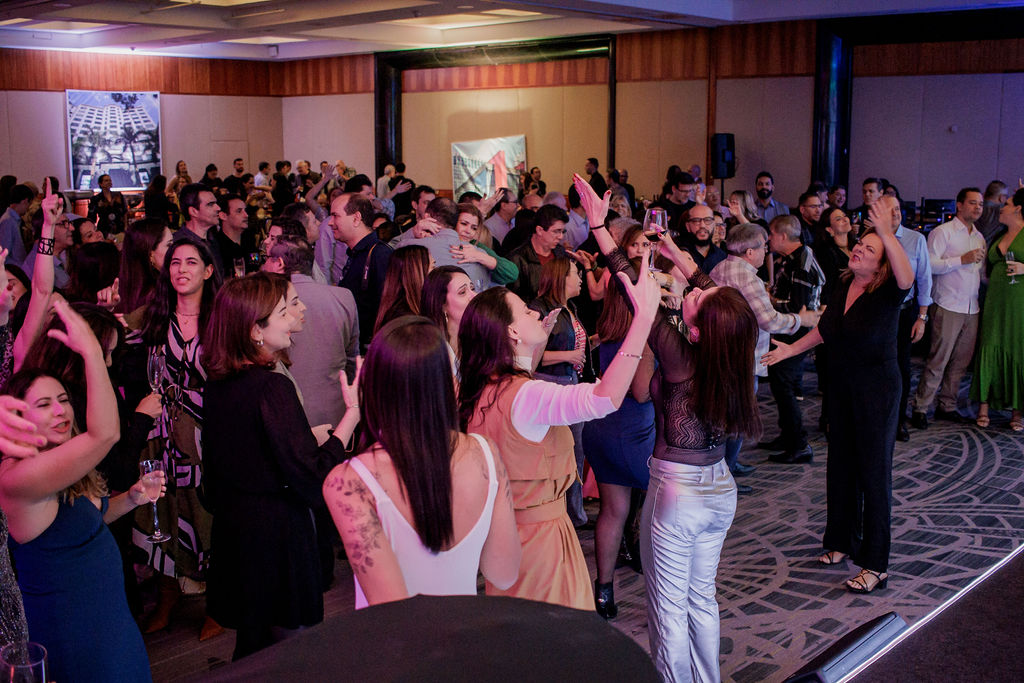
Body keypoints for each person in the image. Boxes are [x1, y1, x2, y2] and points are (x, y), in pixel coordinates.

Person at [575, 173, 761, 682]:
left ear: (697, 329)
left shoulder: (682, 358)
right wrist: (675, 252)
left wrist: (600, 228)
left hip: (678, 492)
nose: (692, 294)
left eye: (695, 300)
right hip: (720, 488)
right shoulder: (732, 345)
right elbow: (715, 295)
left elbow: (634, 290)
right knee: (702, 598)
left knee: (668, 608)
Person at [458, 226, 660, 611]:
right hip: (540, 540)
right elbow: (605, 398)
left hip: (509, 534)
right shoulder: (525, 395)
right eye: (524, 311)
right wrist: (643, 319)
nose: (534, 311)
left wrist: (533, 350)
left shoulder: (485, 385)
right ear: (512, 331)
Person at [1, 300, 160, 683]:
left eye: (63, 400)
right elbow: (105, 434)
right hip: (75, 633)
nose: (61, 411)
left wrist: (133, 497)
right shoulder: (16, 476)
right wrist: (89, 348)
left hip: (111, 622)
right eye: (44, 404)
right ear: (16, 416)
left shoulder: (58, 460)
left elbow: (92, 517)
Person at [764, 196, 914, 595]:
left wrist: (886, 232)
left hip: (877, 391)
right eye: (860, 244)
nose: (859, 249)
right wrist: (791, 350)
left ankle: (876, 565)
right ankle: (841, 541)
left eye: (869, 249)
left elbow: (907, 277)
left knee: (873, 474)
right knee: (841, 466)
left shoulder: (888, 290)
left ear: (881, 264)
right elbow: (827, 328)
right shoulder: (845, 281)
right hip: (843, 386)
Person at [201, 273, 356, 660]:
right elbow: (312, 476)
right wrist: (350, 419)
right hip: (276, 536)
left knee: (253, 645)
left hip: (237, 530)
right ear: (256, 330)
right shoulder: (272, 386)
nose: (294, 318)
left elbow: (242, 454)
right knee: (294, 653)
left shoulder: (219, 382)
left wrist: (303, 438)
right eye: (285, 311)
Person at [325, 316, 520, 607]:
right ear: (447, 385)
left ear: (372, 387)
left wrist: (355, 410)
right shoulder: (486, 453)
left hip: (392, 637)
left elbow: (391, 609)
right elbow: (504, 573)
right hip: (465, 629)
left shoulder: (348, 482)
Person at [133, 238, 222, 637]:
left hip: (207, 433)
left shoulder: (222, 317)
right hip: (160, 432)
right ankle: (167, 595)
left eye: (191, 262)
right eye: (174, 262)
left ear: (208, 270)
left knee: (207, 513)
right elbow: (109, 332)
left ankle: (218, 602)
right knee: (162, 511)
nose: (181, 269)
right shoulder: (153, 316)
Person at [711, 223, 820, 490]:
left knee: (730, 413)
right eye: (763, 247)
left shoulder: (720, 267)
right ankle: (727, 474)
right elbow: (769, 320)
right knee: (738, 415)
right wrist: (801, 320)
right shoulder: (749, 278)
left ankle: (729, 465)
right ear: (750, 252)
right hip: (742, 354)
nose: (766, 252)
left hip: (724, 351)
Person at [580, 267, 655, 618]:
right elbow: (641, 392)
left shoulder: (608, 329)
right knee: (661, 515)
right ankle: (664, 593)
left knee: (612, 511)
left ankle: (604, 592)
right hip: (633, 433)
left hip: (603, 428)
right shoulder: (639, 334)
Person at [910, 187, 986, 427]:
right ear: (959, 205)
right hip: (948, 303)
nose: (978, 207)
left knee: (960, 362)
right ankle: (921, 407)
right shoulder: (943, 232)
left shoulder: (979, 237)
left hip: (971, 307)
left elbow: (980, 273)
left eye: (980, 204)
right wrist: (960, 260)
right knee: (938, 360)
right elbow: (929, 265)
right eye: (972, 203)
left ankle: (948, 405)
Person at [529, 256, 591, 528]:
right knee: (563, 452)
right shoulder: (539, 308)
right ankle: (566, 515)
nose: (581, 278)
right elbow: (530, 354)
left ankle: (574, 513)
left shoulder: (570, 307)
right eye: (576, 273)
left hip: (570, 381)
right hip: (551, 384)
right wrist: (569, 355)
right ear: (560, 278)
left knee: (575, 450)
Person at [973, 187, 1024, 431]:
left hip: (1018, 303)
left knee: (1017, 350)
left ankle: (1017, 411)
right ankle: (983, 407)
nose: (1002, 207)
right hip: (995, 300)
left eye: (1007, 204)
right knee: (989, 345)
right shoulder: (998, 234)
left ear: (1018, 209)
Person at [450, 203, 518, 286]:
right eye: (464, 224)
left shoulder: (475, 246)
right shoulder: (438, 241)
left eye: (474, 228)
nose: (468, 231)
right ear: (451, 222)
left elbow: (512, 274)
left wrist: (480, 256)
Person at [118, 218, 174, 314]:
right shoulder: (158, 297)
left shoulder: (127, 290)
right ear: (150, 254)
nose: (175, 249)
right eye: (169, 245)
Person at [374, 245, 431, 334]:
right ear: (416, 273)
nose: (437, 271)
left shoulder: (409, 310)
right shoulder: (405, 321)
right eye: (433, 267)